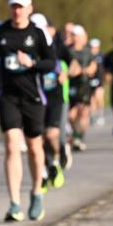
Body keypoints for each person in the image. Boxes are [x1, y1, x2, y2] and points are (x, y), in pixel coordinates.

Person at [0, 0, 56, 222]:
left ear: (30, 9)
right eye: (14, 6)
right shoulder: (1, 31)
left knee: (34, 147)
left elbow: (51, 63)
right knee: (11, 145)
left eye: (21, 6)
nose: (17, 10)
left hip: (33, 97)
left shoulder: (37, 33)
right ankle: (14, 203)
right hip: (7, 96)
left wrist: (32, 63)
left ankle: (37, 192)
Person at [31, 13, 70, 187]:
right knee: (37, 139)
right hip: (34, 97)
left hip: (55, 95)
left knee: (52, 134)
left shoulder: (57, 47)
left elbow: (74, 64)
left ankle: (54, 161)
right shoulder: (26, 47)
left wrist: (65, 73)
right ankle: (44, 172)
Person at [66, 25, 96, 152]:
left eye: (77, 35)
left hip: (84, 85)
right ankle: (75, 134)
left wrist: (85, 70)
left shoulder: (87, 51)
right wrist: (72, 71)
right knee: (71, 115)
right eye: (73, 35)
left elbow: (93, 66)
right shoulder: (67, 51)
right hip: (70, 85)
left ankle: (79, 137)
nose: (75, 38)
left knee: (83, 112)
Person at [89, 37, 106, 127]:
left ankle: (101, 115)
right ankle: (93, 116)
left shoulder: (102, 56)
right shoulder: (88, 55)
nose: (93, 49)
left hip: (99, 81)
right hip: (90, 80)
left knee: (99, 96)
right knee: (91, 100)